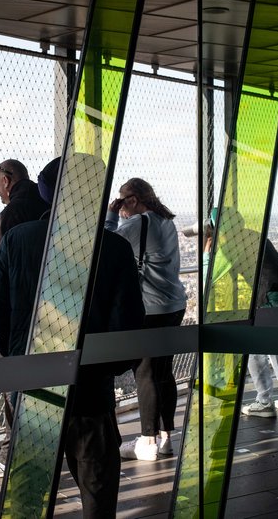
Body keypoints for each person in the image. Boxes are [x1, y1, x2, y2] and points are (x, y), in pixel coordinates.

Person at [0, 155, 145, 517]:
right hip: (90, 392)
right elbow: (129, 329)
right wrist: (103, 370)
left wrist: (18, 364)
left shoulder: (16, 240)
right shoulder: (114, 249)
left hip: (32, 389)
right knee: (97, 492)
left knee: (27, 497)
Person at [0, 158, 49, 479]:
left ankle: (11, 455)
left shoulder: (12, 216)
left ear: (7, 180)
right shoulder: (45, 210)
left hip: (14, 317)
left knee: (12, 386)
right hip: (43, 314)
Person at [106, 178, 187, 461]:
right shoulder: (165, 221)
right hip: (175, 305)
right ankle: (166, 437)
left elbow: (105, 242)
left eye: (122, 200)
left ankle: (148, 440)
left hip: (151, 309)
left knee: (145, 373)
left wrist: (111, 213)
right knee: (164, 372)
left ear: (131, 200)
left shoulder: (139, 223)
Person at [202, 207, 278, 417]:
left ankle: (264, 400)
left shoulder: (232, 245)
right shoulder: (254, 235)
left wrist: (206, 252)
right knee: (276, 348)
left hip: (267, 298)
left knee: (254, 350)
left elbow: (210, 274)